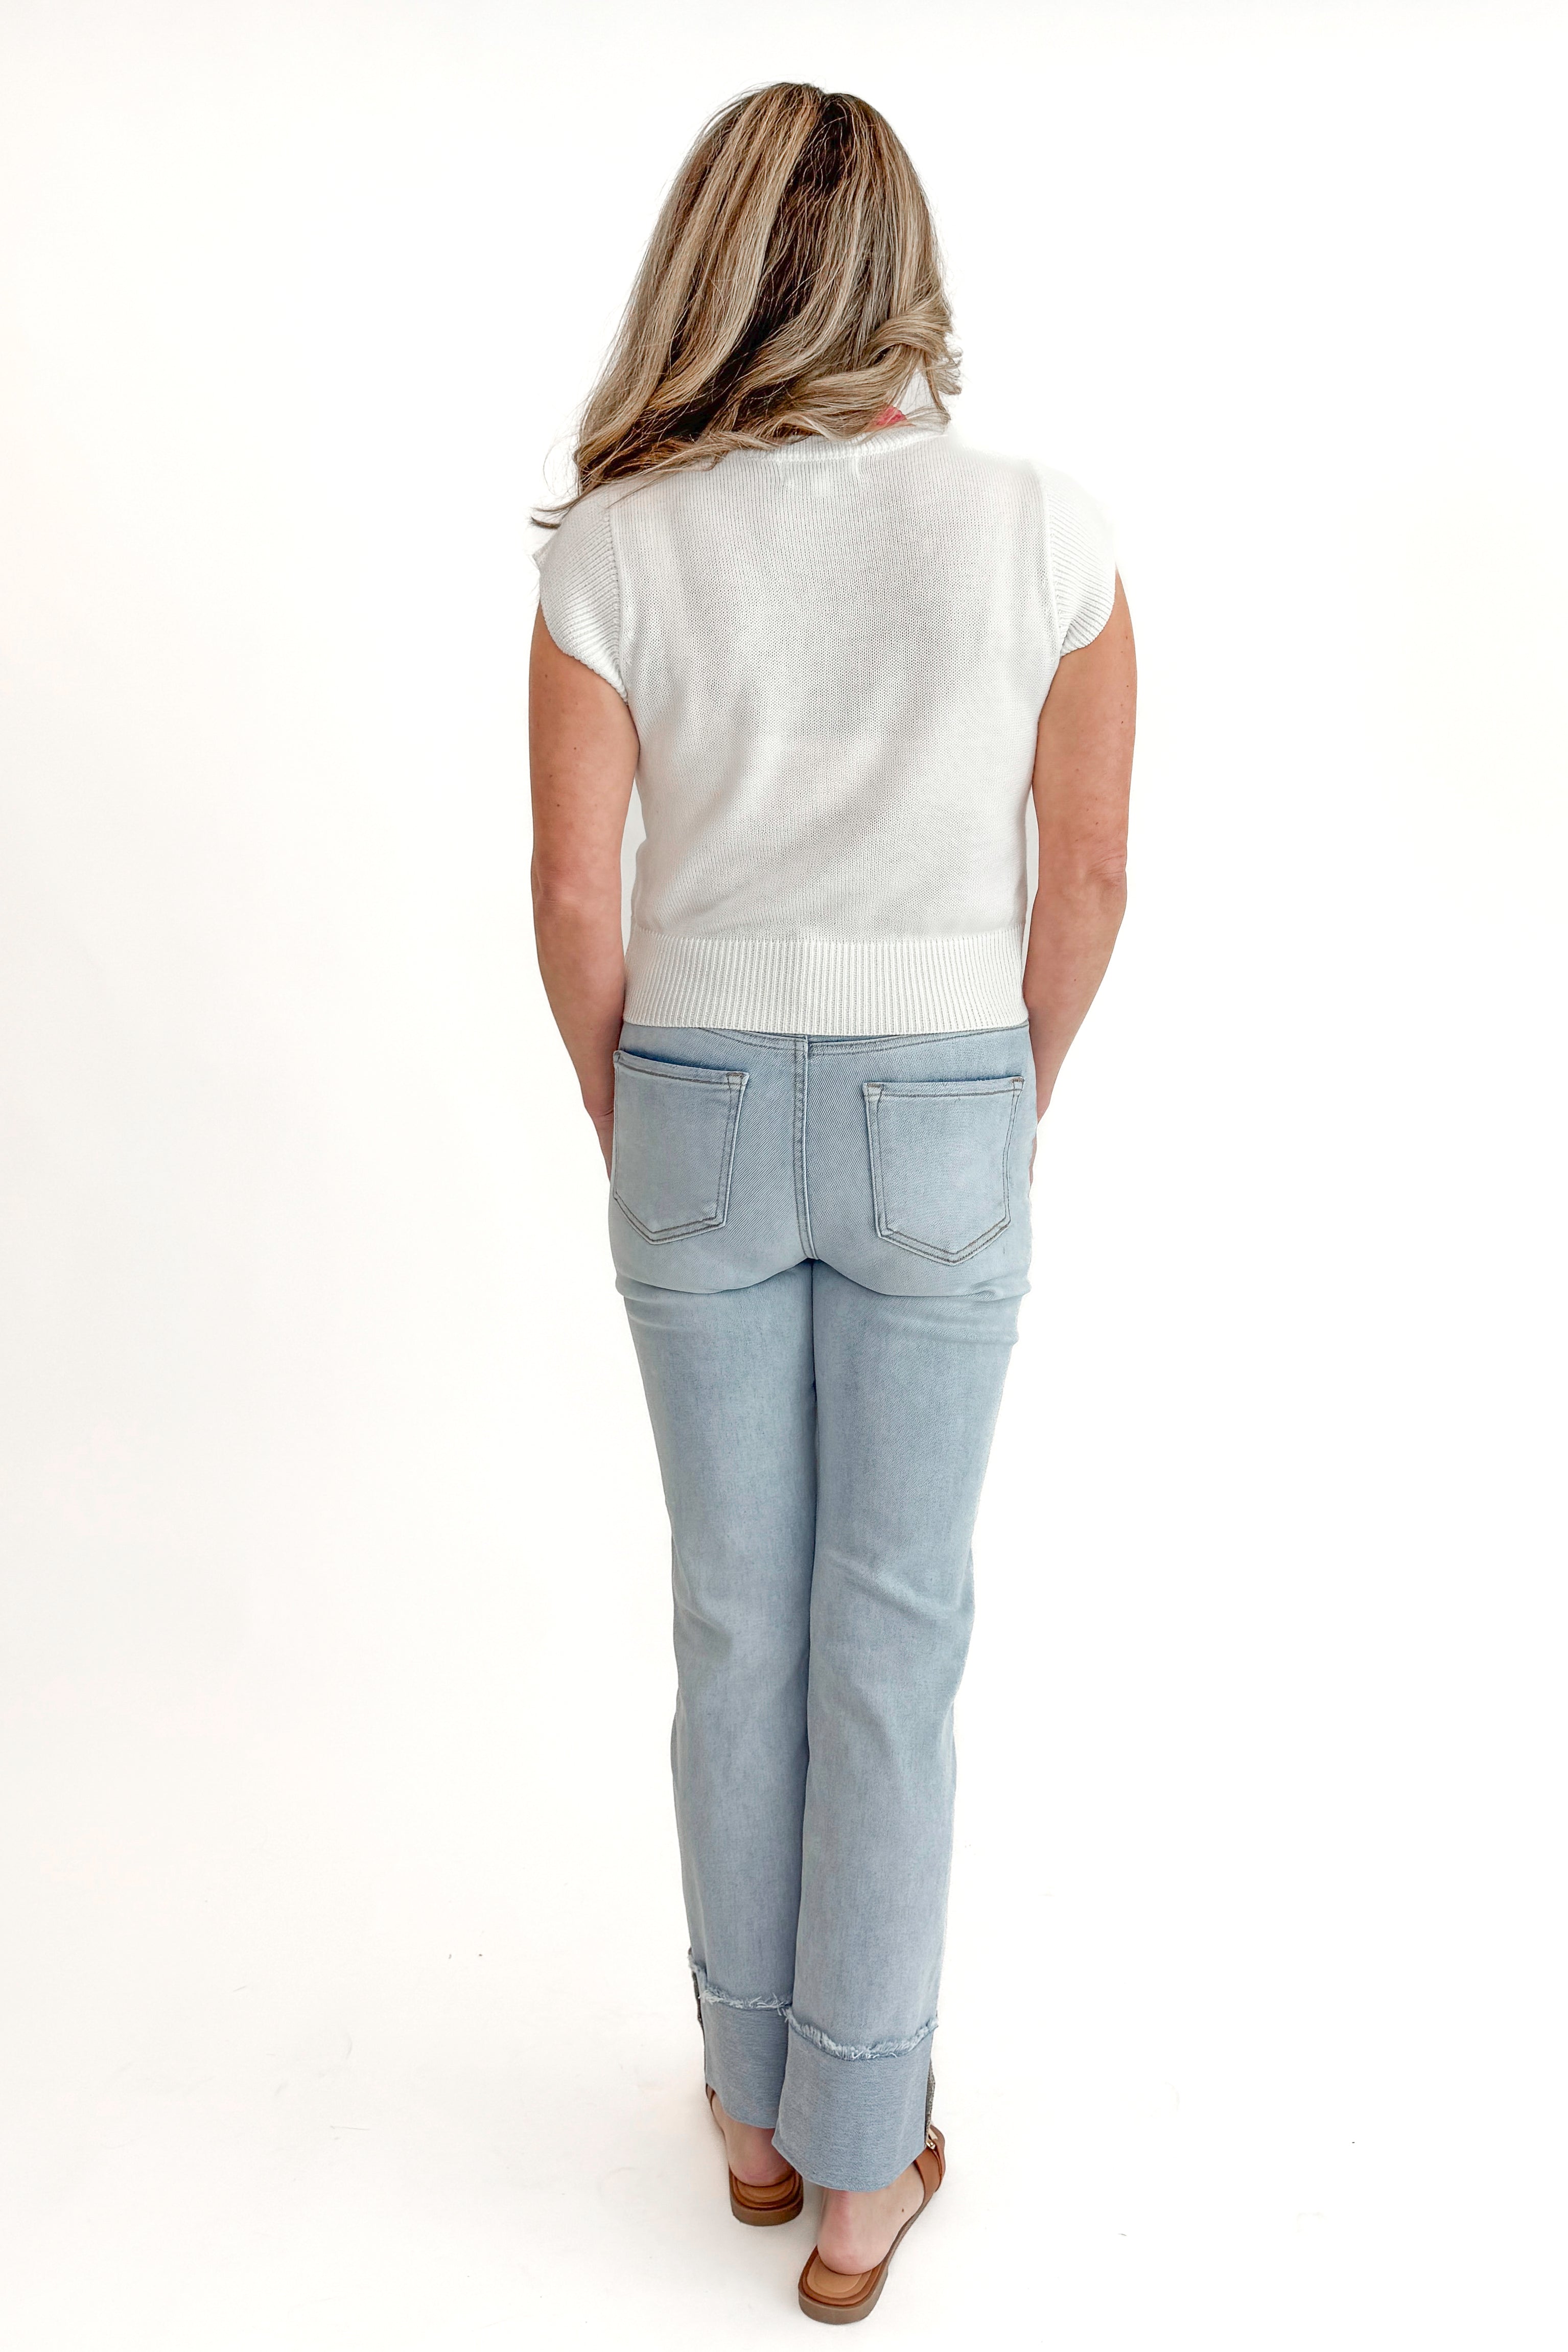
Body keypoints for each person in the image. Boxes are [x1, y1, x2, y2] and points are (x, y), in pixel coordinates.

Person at [528, 80, 1135, 2325]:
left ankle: (752, 2115)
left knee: (733, 1613)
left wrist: (641, 1115)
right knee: (895, 1629)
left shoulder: (615, 547)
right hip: (945, 1091)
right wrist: (1011, 1087)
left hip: (688, 1080)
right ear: (905, 268)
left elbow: (574, 899)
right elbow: (1086, 876)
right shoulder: (1047, 531)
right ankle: (870, 2165)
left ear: (711, 269)